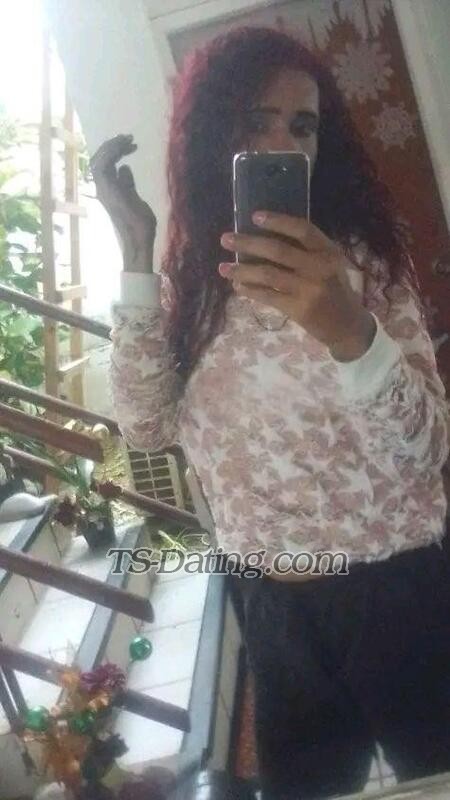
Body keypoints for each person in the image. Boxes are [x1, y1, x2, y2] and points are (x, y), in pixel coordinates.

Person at [91, 26, 450, 800]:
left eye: (303, 125)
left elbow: (425, 454)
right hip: (270, 599)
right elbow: (146, 429)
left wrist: (349, 331)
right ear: (212, 136)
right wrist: (136, 252)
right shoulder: (189, 283)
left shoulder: (364, 265)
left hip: (397, 592)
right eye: (257, 121)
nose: (285, 143)